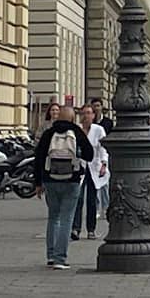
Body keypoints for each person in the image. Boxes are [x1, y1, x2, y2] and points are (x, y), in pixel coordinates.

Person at [33, 104, 92, 269]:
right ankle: (60, 259)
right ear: (73, 118)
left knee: (53, 217)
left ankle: (51, 255)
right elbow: (89, 155)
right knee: (67, 219)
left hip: (50, 180)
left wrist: (38, 183)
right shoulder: (77, 132)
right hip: (71, 181)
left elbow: (38, 159)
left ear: (58, 117)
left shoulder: (48, 133)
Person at [72, 103, 107, 240]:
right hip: (79, 167)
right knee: (78, 198)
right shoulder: (76, 130)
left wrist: (104, 164)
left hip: (94, 167)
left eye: (88, 113)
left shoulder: (98, 130)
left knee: (92, 199)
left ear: (93, 115)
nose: (86, 116)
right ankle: (76, 228)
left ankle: (91, 229)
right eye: (84, 113)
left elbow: (103, 148)